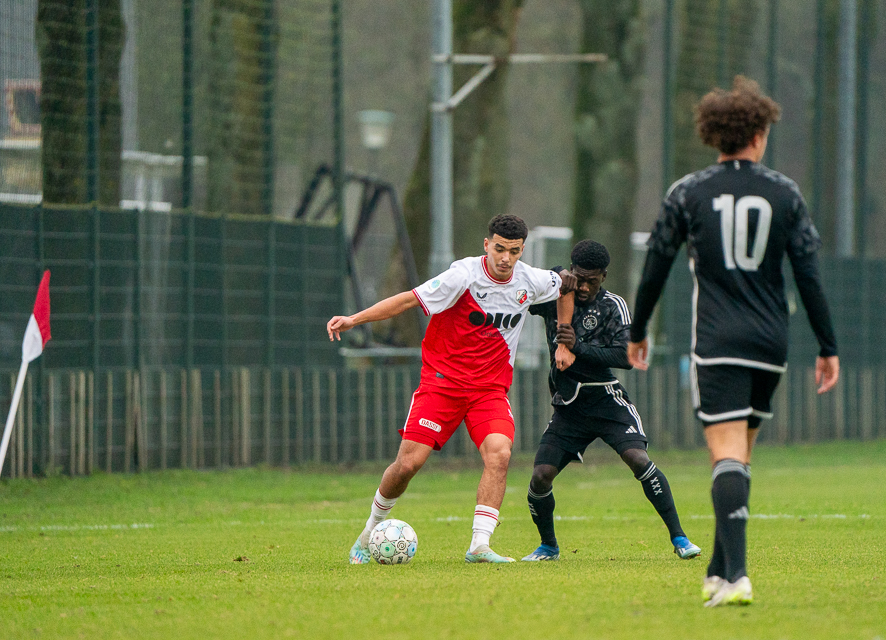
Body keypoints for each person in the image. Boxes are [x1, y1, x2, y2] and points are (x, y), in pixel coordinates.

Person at [627, 76, 840, 607]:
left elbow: (656, 265)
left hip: (718, 339)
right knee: (738, 457)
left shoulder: (688, 191)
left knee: (725, 454)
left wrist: (638, 331)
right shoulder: (785, 193)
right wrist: (827, 345)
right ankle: (719, 573)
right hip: (771, 342)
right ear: (760, 134)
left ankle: (738, 575)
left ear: (713, 135)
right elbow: (809, 274)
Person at [327, 214, 576, 564]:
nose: (506, 258)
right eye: (500, 249)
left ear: (522, 251)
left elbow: (566, 287)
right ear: (487, 245)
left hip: (489, 390)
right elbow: (408, 300)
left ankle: (479, 545)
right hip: (442, 385)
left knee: (500, 454)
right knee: (409, 464)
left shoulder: (531, 280)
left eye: (514, 251)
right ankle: (369, 531)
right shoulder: (462, 276)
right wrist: (355, 319)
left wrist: (564, 339)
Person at [521, 239, 701, 563]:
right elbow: (523, 290)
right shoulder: (556, 297)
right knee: (540, 476)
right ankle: (548, 547)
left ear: (604, 276)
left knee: (638, 459)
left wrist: (578, 347)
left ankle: (680, 538)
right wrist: (555, 275)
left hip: (606, 399)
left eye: (592, 279)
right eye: (580, 277)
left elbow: (625, 356)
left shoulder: (613, 306)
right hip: (569, 408)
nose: (585, 286)